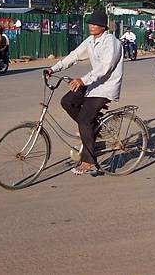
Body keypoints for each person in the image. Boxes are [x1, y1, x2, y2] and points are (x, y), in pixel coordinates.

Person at [44, 10, 123, 176]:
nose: (92, 26)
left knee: (84, 119)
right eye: (90, 23)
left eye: (96, 24)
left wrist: (82, 80)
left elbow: (105, 67)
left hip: (106, 87)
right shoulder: (90, 41)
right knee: (67, 101)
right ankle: (91, 128)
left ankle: (89, 162)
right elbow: (75, 55)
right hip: (92, 83)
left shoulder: (111, 42)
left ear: (103, 26)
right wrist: (54, 68)